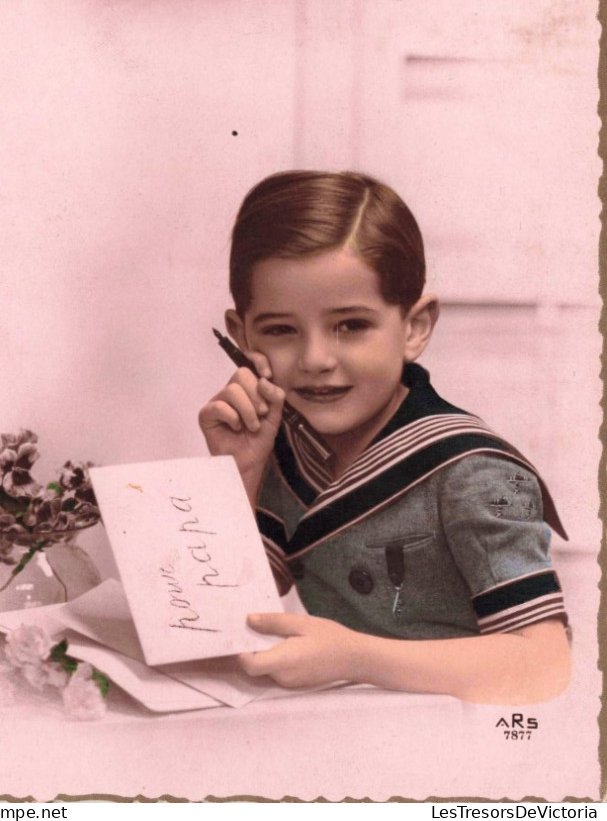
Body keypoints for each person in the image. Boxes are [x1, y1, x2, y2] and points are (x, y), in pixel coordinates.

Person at [198, 170, 571, 704]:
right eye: (281, 330)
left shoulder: (473, 469)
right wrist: (236, 475)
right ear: (242, 338)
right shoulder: (283, 448)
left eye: (350, 325)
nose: (315, 361)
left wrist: (353, 656)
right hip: (349, 734)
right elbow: (229, 615)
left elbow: (545, 663)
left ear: (415, 327)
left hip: (473, 737)